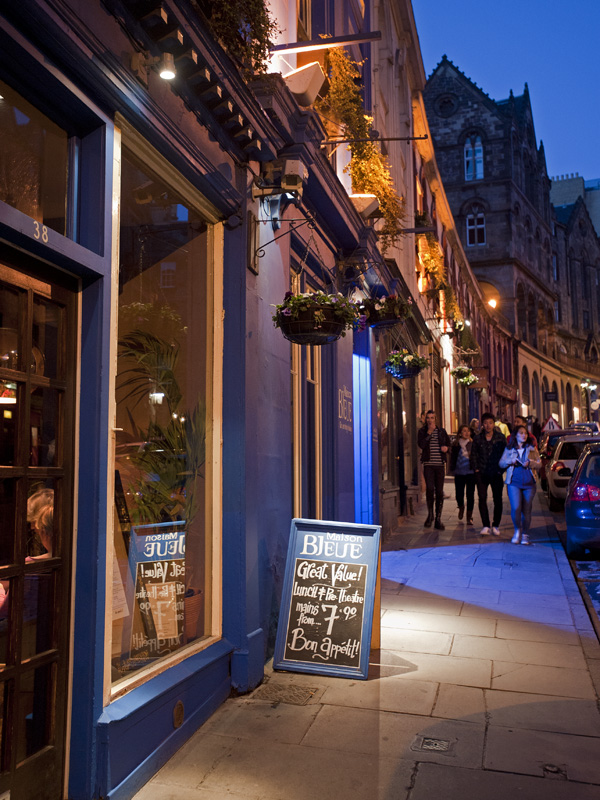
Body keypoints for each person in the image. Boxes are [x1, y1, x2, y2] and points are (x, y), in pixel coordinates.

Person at [499, 425, 541, 545]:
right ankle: (517, 531)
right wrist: (510, 461)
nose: (524, 435)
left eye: (525, 433)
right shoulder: (509, 449)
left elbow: (539, 464)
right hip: (514, 483)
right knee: (516, 508)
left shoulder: (532, 449)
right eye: (521, 433)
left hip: (529, 483)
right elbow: (501, 463)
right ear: (515, 435)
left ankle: (525, 534)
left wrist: (531, 463)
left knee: (527, 509)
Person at [471, 412, 507, 536]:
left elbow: (505, 455)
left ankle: (495, 525)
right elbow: (473, 454)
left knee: (498, 499)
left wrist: (501, 470)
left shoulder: (500, 437)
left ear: (493, 423)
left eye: (490, 423)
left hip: (496, 472)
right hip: (482, 473)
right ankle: (485, 525)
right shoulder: (477, 438)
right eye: (485, 423)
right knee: (482, 498)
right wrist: (476, 469)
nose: (488, 426)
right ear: (482, 424)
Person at [418, 409, 450, 530]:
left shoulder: (441, 431)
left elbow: (449, 444)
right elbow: (421, 445)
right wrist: (428, 434)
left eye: (432, 418)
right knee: (430, 489)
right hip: (428, 465)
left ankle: (438, 518)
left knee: (439, 491)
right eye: (428, 418)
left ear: (435, 419)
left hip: (440, 465)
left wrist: (446, 448)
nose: (430, 420)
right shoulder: (422, 431)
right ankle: (430, 514)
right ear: (425, 419)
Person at [450, 425, 476, 524]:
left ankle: (469, 516)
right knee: (459, 494)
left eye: (468, 431)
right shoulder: (456, 444)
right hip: (459, 472)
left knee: (470, 495)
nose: (466, 433)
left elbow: (476, 457)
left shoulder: (473, 444)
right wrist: (452, 469)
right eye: (464, 431)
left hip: (470, 472)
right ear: (460, 433)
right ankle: (461, 507)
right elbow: (452, 458)